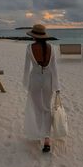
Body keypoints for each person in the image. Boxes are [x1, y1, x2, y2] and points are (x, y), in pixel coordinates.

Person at [23, 24, 60, 153]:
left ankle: (40, 133)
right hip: (48, 80)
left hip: (35, 80)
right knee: (47, 108)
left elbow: (27, 68)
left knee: (38, 109)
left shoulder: (29, 48)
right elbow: (54, 69)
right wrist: (57, 86)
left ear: (34, 36)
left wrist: (26, 84)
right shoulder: (52, 48)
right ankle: (47, 139)